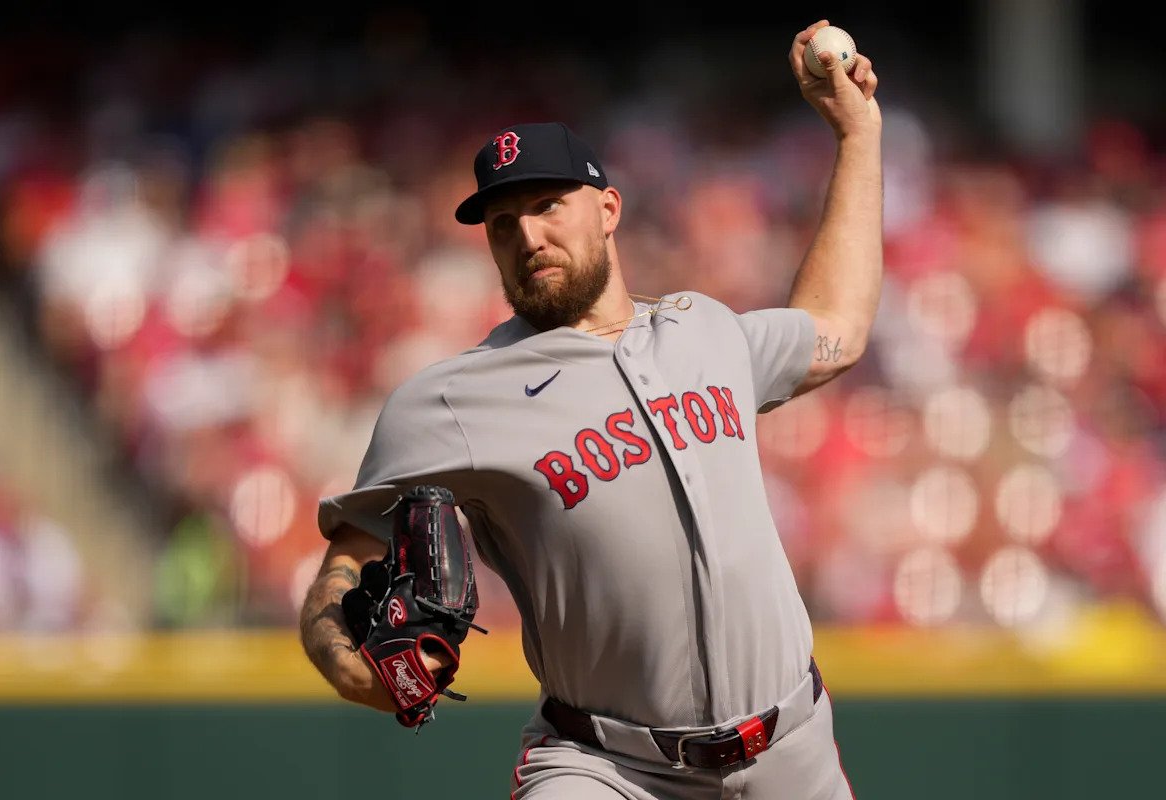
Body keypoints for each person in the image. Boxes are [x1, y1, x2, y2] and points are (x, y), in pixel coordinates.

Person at [300, 19, 881, 799]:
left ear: (608, 208)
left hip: (791, 753)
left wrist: (857, 135)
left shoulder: (706, 330)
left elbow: (836, 330)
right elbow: (340, 570)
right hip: (607, 768)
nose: (528, 234)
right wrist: (352, 669)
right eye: (503, 223)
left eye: (548, 204)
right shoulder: (449, 400)